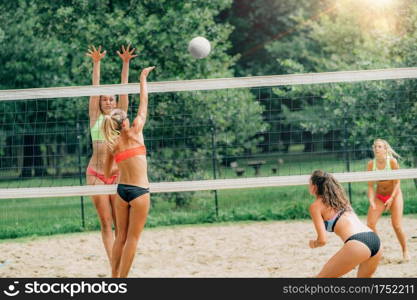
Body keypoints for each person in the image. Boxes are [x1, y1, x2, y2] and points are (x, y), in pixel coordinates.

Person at [86, 45, 137, 267]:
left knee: (120, 225)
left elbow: (124, 90)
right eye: (104, 99)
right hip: (96, 174)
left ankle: (120, 262)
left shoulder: (119, 116)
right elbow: (94, 88)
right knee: (106, 223)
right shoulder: (95, 115)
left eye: (111, 99)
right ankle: (114, 265)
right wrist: (97, 63)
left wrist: (126, 63)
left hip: (117, 176)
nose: (107, 101)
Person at [102, 66, 155, 278]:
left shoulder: (112, 145)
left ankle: (114, 278)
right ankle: (122, 282)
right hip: (140, 192)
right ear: (124, 122)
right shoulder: (136, 130)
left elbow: (108, 174)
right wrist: (142, 77)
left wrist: (122, 164)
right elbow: (144, 103)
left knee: (120, 236)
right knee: (133, 239)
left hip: (122, 191)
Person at [308, 170, 382, 278]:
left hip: (358, 243)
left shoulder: (316, 206)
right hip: (374, 239)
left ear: (314, 187)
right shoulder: (342, 200)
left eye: (309, 184)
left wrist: (314, 243)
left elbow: (322, 240)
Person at [366, 138, 409, 261]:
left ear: (385, 149)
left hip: (394, 195)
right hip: (380, 196)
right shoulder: (371, 164)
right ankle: (379, 250)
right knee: (370, 224)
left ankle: (405, 250)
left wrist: (391, 198)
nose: (376, 149)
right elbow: (370, 186)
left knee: (396, 225)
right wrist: (371, 200)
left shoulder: (392, 162)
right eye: (375, 147)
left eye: (379, 146)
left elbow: (397, 183)